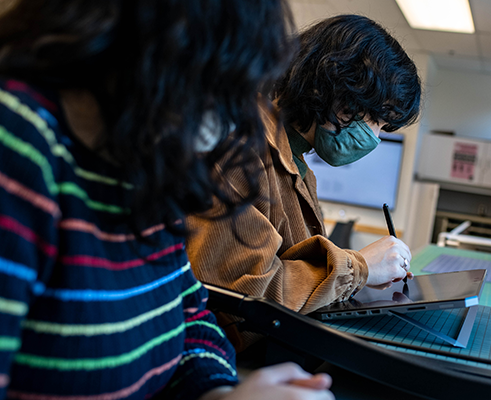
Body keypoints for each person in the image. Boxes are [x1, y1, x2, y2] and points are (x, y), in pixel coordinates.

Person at [0, 0, 333, 399]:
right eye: (221, 85)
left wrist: (218, 392)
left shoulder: (137, 161)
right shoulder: (17, 146)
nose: (231, 121)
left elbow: (188, 317)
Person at [186, 15, 422, 344]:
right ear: (331, 87)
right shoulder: (239, 145)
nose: (375, 137)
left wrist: (359, 280)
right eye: (376, 119)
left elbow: (295, 272)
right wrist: (359, 268)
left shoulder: (300, 168)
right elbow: (247, 293)